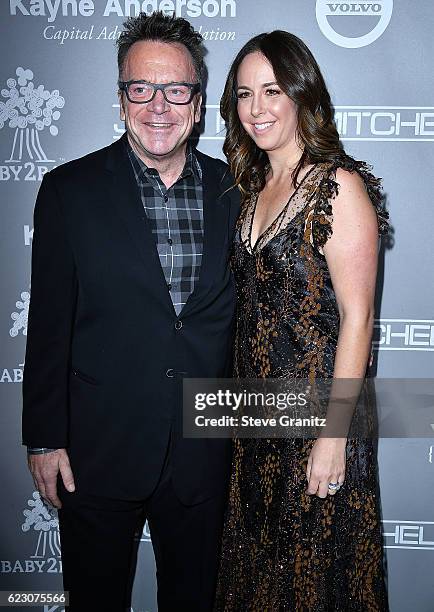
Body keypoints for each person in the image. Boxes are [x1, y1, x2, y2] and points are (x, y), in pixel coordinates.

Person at [22, 11, 239, 612]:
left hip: (204, 451)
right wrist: (44, 438)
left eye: (176, 90)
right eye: (140, 89)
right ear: (121, 99)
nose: (158, 106)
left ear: (198, 102)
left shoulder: (236, 193)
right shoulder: (70, 191)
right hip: (97, 449)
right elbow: (48, 326)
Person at [214, 31, 389, 611]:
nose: (256, 108)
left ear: (301, 94)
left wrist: (334, 435)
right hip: (256, 427)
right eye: (244, 94)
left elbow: (359, 319)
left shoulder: (336, 187)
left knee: (314, 586)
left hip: (318, 423)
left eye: (271, 90)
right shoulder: (250, 188)